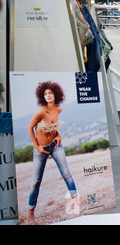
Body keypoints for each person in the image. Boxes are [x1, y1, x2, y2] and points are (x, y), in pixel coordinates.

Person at [27, 81, 79, 222]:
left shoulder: (58, 109)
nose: (48, 95)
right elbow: (29, 128)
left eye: (50, 93)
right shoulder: (40, 112)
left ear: (56, 94)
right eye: (45, 94)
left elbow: (53, 126)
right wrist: (37, 147)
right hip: (41, 149)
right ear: (42, 97)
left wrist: (58, 135)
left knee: (66, 174)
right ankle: (31, 212)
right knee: (36, 181)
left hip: (55, 146)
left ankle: (76, 204)